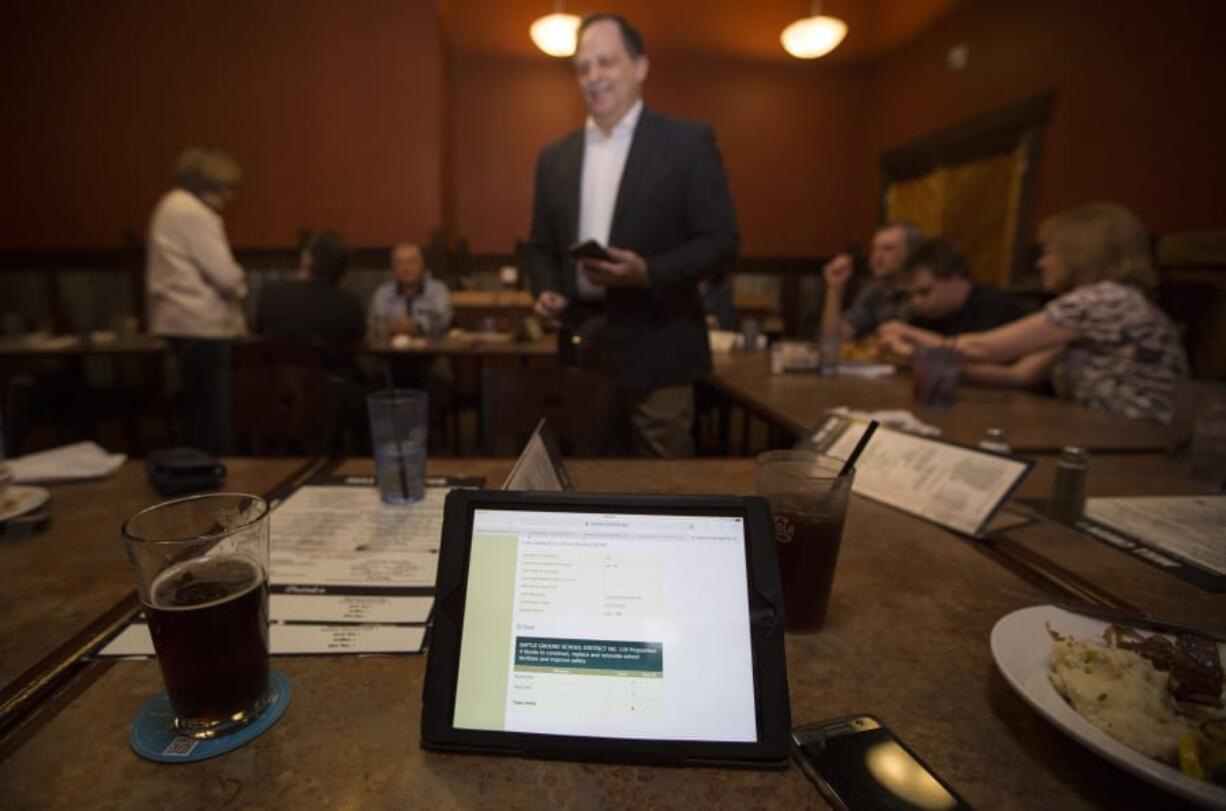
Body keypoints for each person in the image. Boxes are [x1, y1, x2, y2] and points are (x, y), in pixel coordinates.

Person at [528, 13, 739, 458]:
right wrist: (546, 289)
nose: (593, 77)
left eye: (605, 62)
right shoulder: (554, 158)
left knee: (664, 495)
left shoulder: (687, 143)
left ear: (640, 66)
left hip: (661, 347)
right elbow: (542, 247)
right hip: (583, 351)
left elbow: (721, 241)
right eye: (583, 67)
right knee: (585, 485)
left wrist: (647, 272)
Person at [879, 204, 1188, 423]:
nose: (1041, 263)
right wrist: (916, 357)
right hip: (1112, 432)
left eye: (1049, 251)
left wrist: (909, 337)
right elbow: (1020, 374)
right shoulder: (1101, 305)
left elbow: (982, 348)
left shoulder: (1103, 301)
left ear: (1081, 253)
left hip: (1141, 440)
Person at [146, 147, 246, 455]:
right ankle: (215, 479)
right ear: (210, 184)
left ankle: (199, 472)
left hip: (179, 320)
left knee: (197, 408)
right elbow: (226, 275)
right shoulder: (193, 212)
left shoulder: (170, 205)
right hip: (201, 323)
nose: (228, 198)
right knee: (212, 416)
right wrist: (241, 285)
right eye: (226, 190)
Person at [254, 229, 365, 380]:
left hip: (272, 387)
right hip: (330, 391)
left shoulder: (270, 294)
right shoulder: (349, 304)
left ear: (306, 260)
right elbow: (355, 345)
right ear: (343, 269)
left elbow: (258, 332)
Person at [898, 238, 1027, 336]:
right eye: (912, 295)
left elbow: (976, 356)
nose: (916, 302)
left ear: (955, 277)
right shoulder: (926, 315)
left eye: (924, 292)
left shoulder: (996, 307)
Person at [822, 221, 923, 340]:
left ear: (911, 253)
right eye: (874, 249)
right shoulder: (873, 291)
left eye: (888, 249)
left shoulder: (925, 291)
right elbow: (833, 339)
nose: (877, 257)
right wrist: (835, 288)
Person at [368, 242, 453, 341]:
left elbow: (443, 321)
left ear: (422, 265)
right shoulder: (383, 292)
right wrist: (394, 326)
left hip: (429, 352)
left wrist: (416, 326)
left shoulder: (438, 290)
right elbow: (375, 322)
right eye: (400, 263)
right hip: (390, 352)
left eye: (412, 262)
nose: (406, 268)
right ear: (393, 268)